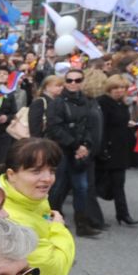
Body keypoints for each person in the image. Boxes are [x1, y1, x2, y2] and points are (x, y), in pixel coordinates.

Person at [0, 138, 79, 275]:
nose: (47, 179)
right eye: (36, 171)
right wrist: (59, 228)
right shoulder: (8, 219)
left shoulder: (30, 197)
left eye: (52, 170)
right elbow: (54, 271)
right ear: (11, 175)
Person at [44, 66, 105, 236]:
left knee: (82, 187)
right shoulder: (57, 102)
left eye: (77, 80)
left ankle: (82, 225)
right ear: (65, 82)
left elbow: (89, 126)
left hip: (79, 152)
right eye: (69, 80)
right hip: (61, 150)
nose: (73, 83)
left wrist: (85, 145)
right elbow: (54, 128)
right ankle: (50, 222)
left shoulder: (87, 101)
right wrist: (76, 145)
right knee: (56, 188)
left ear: (82, 82)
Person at [93, 70, 138, 225]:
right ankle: (91, 213)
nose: (120, 91)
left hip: (120, 149)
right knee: (95, 183)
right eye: (116, 88)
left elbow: (119, 122)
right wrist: (102, 148)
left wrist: (129, 125)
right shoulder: (102, 103)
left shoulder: (121, 103)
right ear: (109, 88)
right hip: (106, 148)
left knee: (119, 183)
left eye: (122, 88)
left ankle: (123, 214)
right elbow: (102, 127)